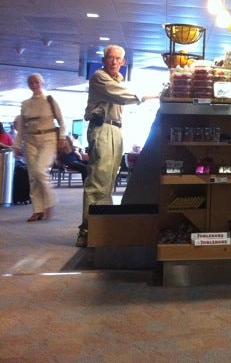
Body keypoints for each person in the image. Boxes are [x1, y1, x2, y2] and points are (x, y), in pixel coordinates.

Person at [76, 44, 158, 247]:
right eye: (110, 57)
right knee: (98, 181)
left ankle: (102, 228)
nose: (113, 61)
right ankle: (88, 230)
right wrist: (150, 95)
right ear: (104, 60)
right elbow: (121, 95)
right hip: (102, 128)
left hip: (115, 129)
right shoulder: (99, 77)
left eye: (117, 58)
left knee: (108, 181)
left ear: (123, 62)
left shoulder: (119, 79)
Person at [13, 73, 66, 222]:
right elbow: (21, 128)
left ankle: (50, 202)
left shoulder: (50, 100)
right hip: (30, 140)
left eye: (36, 82)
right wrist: (16, 145)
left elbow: (62, 121)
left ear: (42, 83)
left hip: (48, 138)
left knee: (40, 171)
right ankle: (37, 210)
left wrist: (62, 137)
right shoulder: (25, 104)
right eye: (31, 82)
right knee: (33, 176)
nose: (34, 84)